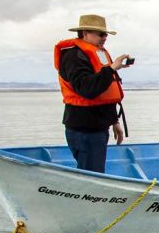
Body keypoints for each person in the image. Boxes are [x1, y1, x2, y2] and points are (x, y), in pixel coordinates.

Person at [54, 14, 132, 173]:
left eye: (106, 34)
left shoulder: (99, 53)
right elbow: (86, 89)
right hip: (84, 129)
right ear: (84, 33)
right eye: (100, 34)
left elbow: (104, 92)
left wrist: (114, 121)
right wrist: (111, 69)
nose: (104, 38)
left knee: (95, 172)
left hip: (98, 126)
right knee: (92, 175)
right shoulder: (74, 56)